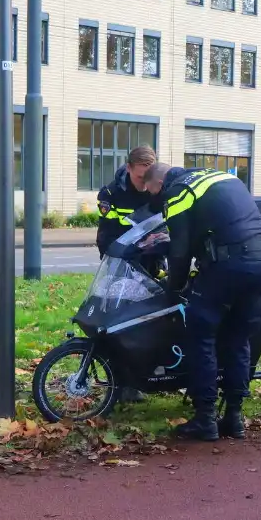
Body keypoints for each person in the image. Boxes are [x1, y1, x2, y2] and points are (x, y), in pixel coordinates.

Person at [142, 163, 261, 441]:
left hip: (227, 265)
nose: (152, 196)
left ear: (160, 182)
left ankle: (205, 419)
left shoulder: (177, 191)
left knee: (201, 335)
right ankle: (234, 418)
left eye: (151, 190)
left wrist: (172, 288)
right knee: (238, 339)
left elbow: (180, 252)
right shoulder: (218, 175)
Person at [96, 145, 159, 404]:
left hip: (151, 264)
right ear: (129, 168)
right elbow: (108, 235)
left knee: (148, 324)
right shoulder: (111, 194)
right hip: (120, 265)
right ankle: (120, 383)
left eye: (148, 177)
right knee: (116, 325)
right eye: (139, 176)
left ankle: (140, 381)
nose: (144, 183)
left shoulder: (159, 190)